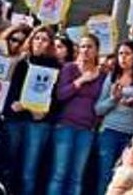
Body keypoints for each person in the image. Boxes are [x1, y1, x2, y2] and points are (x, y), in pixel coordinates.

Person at [48, 33, 106, 195]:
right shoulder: (69, 68)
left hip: (87, 130)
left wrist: (95, 124)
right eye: (82, 46)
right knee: (59, 174)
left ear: (97, 51)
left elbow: (101, 103)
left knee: (76, 177)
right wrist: (81, 81)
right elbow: (60, 95)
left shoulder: (102, 76)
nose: (85, 50)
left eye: (89, 47)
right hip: (65, 126)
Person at [5, 25, 60, 194]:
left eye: (44, 39)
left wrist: (44, 112)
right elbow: (10, 89)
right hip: (15, 119)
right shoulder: (21, 62)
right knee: (9, 164)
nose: (39, 42)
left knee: (29, 170)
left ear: (50, 44)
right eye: (36, 38)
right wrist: (16, 104)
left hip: (39, 122)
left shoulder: (55, 67)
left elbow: (56, 97)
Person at [95, 39, 133, 195]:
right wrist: (114, 99)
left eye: (127, 54)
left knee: (126, 177)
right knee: (105, 177)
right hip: (109, 131)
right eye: (120, 54)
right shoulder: (112, 77)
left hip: (131, 135)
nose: (123, 57)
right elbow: (98, 109)